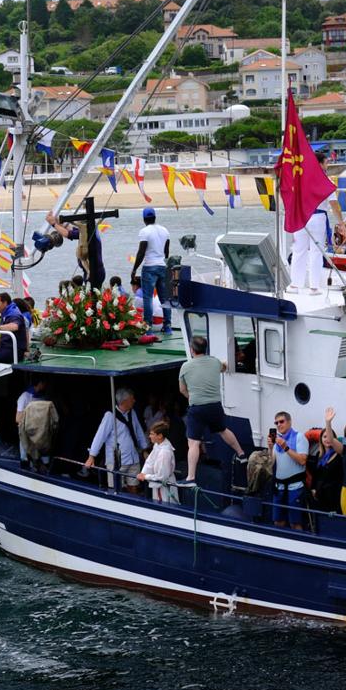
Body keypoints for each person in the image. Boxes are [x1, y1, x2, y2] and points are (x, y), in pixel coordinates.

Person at [177, 335, 244, 486]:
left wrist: (190, 397)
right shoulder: (215, 362)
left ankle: (191, 478)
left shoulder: (185, 367)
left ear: (192, 350)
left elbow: (182, 390)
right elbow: (225, 367)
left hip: (197, 408)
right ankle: (241, 453)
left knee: (193, 443)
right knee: (222, 430)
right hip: (215, 405)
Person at [86, 388, 148, 493]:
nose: (134, 401)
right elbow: (100, 436)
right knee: (117, 490)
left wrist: (144, 449)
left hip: (133, 458)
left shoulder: (132, 413)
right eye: (132, 399)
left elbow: (138, 432)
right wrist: (91, 456)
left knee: (134, 487)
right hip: (117, 462)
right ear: (124, 402)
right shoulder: (110, 416)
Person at [130, 207, 172, 335]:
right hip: (162, 266)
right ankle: (168, 326)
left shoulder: (144, 232)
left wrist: (134, 269)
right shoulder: (165, 231)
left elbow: (141, 251)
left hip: (149, 267)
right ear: (155, 217)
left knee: (147, 298)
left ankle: (148, 327)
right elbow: (166, 253)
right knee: (165, 298)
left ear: (144, 219)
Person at [270, 411, 309, 530]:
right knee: (278, 522)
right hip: (279, 487)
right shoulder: (277, 440)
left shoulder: (299, 437)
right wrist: (270, 447)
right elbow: (271, 463)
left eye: (281, 421)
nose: (278, 425)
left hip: (295, 487)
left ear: (289, 422)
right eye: (276, 423)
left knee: (295, 523)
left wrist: (285, 447)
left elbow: (302, 460)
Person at [138, 421, 180, 504]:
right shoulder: (158, 444)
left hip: (164, 487)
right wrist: (143, 473)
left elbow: (162, 477)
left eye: (152, 434)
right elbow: (150, 461)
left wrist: (146, 476)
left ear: (160, 436)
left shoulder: (165, 452)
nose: (149, 436)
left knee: (166, 508)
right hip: (157, 484)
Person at [15, 378, 49, 468]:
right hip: (27, 432)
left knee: (42, 455)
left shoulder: (42, 397)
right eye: (45, 383)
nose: (46, 385)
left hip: (40, 432)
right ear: (40, 383)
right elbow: (18, 419)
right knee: (25, 456)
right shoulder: (25, 397)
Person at [310, 427, 345, 513]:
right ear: (321, 439)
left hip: (334, 496)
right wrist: (313, 489)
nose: (327, 439)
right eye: (324, 437)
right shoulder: (319, 455)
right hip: (319, 495)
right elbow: (315, 475)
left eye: (329, 437)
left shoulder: (339, 455)